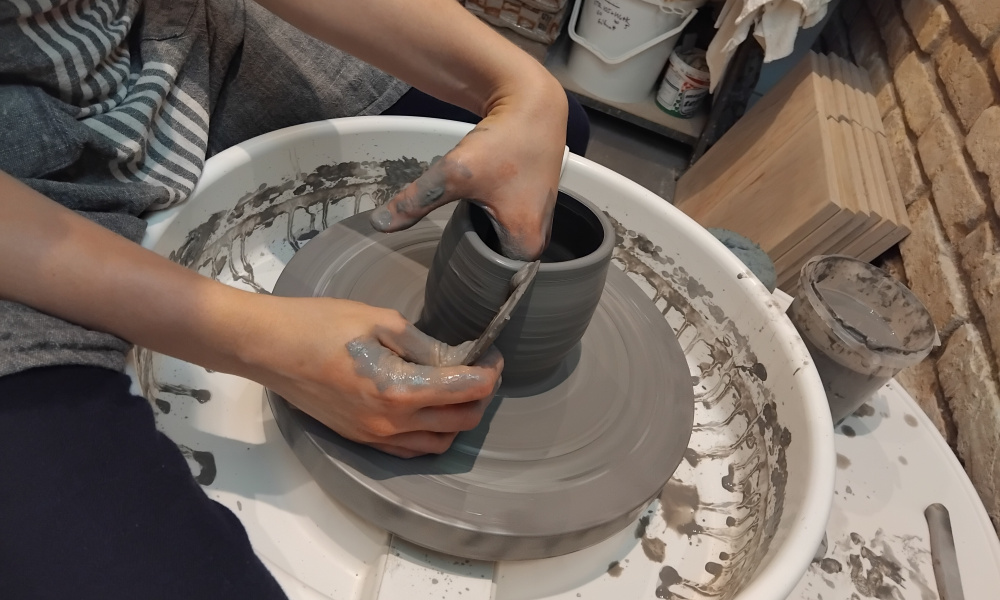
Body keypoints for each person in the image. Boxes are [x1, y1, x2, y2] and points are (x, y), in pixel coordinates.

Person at [0, 0, 588, 596]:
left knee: (552, 139)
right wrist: (261, 340)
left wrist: (522, 89)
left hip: (136, 38)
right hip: (17, 180)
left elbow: (520, 104)